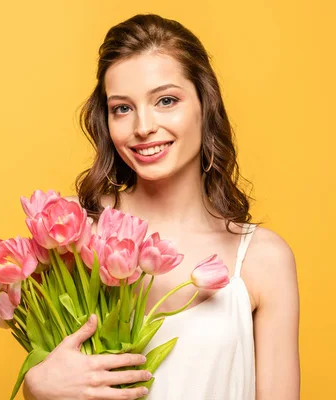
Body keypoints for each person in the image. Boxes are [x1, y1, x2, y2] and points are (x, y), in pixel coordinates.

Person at [23, 13, 300, 400]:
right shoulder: (69, 230)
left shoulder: (262, 259)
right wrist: (36, 389)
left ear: (206, 104)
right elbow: (49, 368)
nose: (143, 127)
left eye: (165, 100)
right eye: (122, 108)